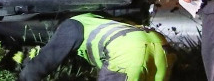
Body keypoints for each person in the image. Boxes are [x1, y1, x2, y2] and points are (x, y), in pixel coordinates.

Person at [17, 13, 172, 81]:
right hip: (161, 47)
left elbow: (42, 63)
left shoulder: (71, 25)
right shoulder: (96, 21)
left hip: (128, 51)